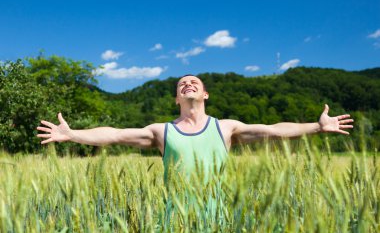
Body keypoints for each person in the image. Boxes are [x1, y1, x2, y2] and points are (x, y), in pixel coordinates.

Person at [36, 74, 354, 181]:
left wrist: (315, 126)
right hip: (174, 224)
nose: (188, 84)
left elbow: (272, 129)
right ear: (177, 98)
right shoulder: (162, 132)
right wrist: (72, 134)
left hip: (221, 223)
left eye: (195, 82)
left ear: (204, 94)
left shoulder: (226, 127)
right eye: (182, 84)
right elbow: (116, 134)